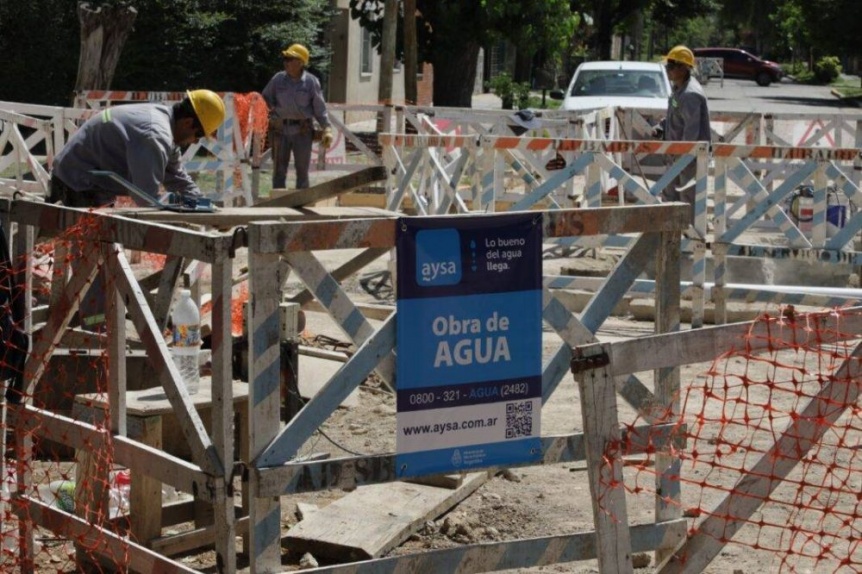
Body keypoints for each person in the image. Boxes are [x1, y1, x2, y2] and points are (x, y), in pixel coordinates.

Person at [50, 89, 226, 208]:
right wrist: (186, 204)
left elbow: (177, 178)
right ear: (188, 123)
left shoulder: (164, 124)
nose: (196, 142)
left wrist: (204, 205)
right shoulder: (155, 135)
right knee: (91, 250)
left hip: (87, 179)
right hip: (78, 182)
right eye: (199, 135)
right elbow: (146, 198)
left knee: (99, 251)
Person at [262, 43, 333, 190]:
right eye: (285, 59)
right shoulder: (278, 79)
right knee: (279, 172)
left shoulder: (311, 82)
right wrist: (271, 111)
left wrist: (327, 128)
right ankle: (278, 205)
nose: (286, 62)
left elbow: (319, 108)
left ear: (301, 62)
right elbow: (265, 99)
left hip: (302, 132)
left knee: (302, 171)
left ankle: (301, 206)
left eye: (290, 59)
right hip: (280, 131)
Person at [654, 45, 711, 208]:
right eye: (667, 66)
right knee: (669, 194)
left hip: (687, 157)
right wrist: (663, 126)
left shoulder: (689, 94)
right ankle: (671, 231)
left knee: (687, 196)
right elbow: (676, 113)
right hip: (677, 154)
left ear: (684, 68)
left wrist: (681, 159)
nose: (668, 70)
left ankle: (690, 231)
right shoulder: (678, 90)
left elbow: (691, 132)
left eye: (671, 66)